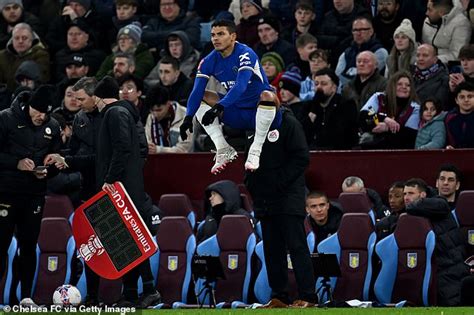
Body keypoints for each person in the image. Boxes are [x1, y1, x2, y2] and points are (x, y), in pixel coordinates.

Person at [92, 76, 161, 308]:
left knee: (130, 241)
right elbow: (139, 150)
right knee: (125, 243)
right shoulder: (127, 114)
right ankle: (130, 293)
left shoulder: (114, 113)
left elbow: (121, 147)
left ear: (99, 98)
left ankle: (149, 289)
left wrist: (110, 179)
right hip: (129, 186)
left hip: (122, 189)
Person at [180, 19, 281, 174]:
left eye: (221, 34)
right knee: (203, 96)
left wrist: (219, 106)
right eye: (213, 35)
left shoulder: (246, 53)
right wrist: (188, 117)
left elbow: (240, 86)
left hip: (261, 110)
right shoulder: (208, 60)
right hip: (236, 112)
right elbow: (196, 91)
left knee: (268, 95)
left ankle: (256, 149)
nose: (215, 38)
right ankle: (222, 148)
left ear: (233, 36)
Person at [245, 107, 318, 308]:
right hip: (264, 200)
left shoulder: (289, 123)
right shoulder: (253, 124)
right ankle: (279, 296)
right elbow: (249, 156)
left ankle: (308, 296)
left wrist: (278, 182)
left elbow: (302, 158)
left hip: (288, 197)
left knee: (297, 246)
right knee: (271, 249)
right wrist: (251, 182)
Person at [0, 85, 61, 304]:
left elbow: (57, 157)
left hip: (34, 194)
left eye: (46, 113)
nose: (41, 117)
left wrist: (48, 170)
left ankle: (25, 297)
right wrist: (16, 163)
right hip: (5, 192)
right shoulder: (5, 119)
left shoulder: (52, 126)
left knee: (28, 245)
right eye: (38, 111)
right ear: (29, 106)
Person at [406, 178, 469, 306]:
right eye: (404, 194)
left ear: (423, 195)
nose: (406, 197)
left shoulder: (438, 203)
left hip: (449, 266)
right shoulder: (418, 212)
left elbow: (416, 206)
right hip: (438, 266)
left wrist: (411, 206)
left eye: (411, 193)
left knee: (452, 304)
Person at [359, 70, 420, 149]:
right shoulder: (379, 98)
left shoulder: (415, 107)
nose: (404, 87)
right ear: (392, 86)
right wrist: (385, 119)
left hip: (398, 152)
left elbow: (409, 134)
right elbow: (364, 116)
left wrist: (387, 128)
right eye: (399, 84)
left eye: (408, 85)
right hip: (370, 148)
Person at [301, 67, 358, 149]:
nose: (319, 87)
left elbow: (342, 134)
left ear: (334, 87)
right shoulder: (308, 106)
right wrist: (313, 110)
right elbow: (302, 133)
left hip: (339, 153)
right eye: (316, 84)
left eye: (324, 84)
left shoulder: (346, 105)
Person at [196, 179, 256, 243]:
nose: (210, 198)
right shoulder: (210, 218)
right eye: (210, 195)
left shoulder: (243, 218)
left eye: (214, 194)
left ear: (226, 195)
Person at [335, 16, 388, 89]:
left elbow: (368, 76)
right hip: (347, 91)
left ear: (371, 31)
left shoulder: (380, 52)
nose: (358, 33)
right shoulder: (346, 53)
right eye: (355, 30)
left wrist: (349, 73)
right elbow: (338, 77)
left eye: (362, 30)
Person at [0, 22, 49, 92]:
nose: (20, 41)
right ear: (12, 40)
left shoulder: (41, 55)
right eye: (16, 38)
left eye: (24, 38)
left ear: (32, 40)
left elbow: (41, 79)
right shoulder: (2, 56)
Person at [144, 84, 193, 153]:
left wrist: (159, 150)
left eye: (159, 110)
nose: (155, 114)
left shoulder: (186, 116)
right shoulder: (150, 117)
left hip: (185, 161)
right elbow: (148, 142)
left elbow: (184, 149)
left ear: (168, 104)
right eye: (152, 110)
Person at [422, 0, 471, 65]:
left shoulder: (461, 24)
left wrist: (433, 60)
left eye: (430, 10)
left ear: (441, 13)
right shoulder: (428, 20)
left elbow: (457, 55)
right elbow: (422, 45)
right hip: (426, 63)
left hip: (448, 68)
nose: (426, 13)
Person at [445, 81, 474, 148]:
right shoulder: (450, 119)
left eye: (470, 96)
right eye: (462, 97)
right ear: (456, 100)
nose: (466, 100)